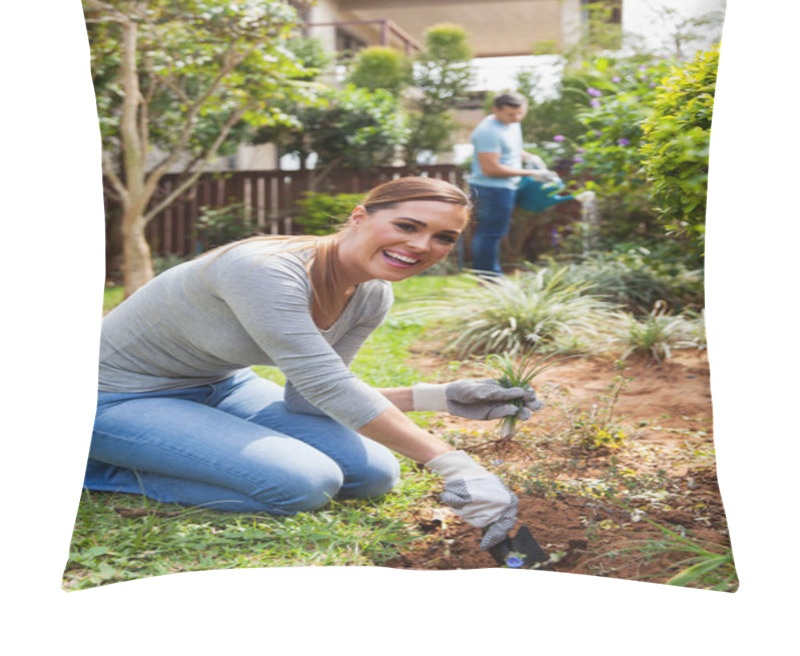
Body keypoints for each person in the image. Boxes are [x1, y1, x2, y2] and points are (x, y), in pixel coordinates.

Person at [84, 176, 544, 550]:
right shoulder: (263, 270)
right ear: (360, 217)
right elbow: (329, 387)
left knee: (374, 475)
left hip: (220, 386)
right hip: (113, 398)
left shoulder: (371, 294)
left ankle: (181, 447)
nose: (422, 245)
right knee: (302, 485)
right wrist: (457, 467)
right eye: (407, 226)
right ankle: (95, 468)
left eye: (444, 238)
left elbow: (310, 397)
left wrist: (442, 397)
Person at [468, 92, 560, 275]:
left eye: (521, 113)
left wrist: (528, 156)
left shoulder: (510, 124)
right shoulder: (488, 132)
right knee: (489, 234)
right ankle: (489, 277)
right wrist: (532, 173)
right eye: (511, 114)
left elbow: (511, 149)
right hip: (490, 189)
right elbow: (490, 169)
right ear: (496, 110)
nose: (516, 118)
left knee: (494, 233)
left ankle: (488, 274)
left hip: (504, 187)